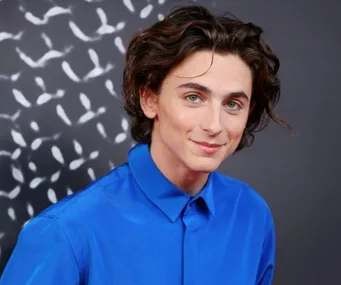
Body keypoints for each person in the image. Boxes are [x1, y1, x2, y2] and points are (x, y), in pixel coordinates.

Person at [0, 4, 290, 285]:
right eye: (193, 97)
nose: (215, 125)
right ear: (149, 99)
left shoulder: (251, 214)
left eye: (232, 104)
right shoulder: (65, 232)